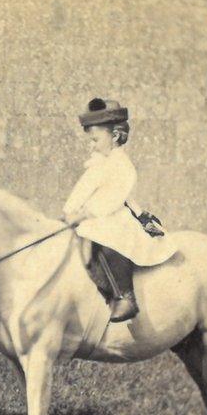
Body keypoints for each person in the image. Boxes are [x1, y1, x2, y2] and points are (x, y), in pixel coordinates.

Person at [63, 98, 176, 322]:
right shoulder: (99, 164)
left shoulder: (122, 165)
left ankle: (124, 296)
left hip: (111, 217)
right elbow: (82, 190)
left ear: (114, 137)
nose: (92, 145)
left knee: (105, 239)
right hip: (94, 217)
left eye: (95, 139)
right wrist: (70, 210)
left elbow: (115, 198)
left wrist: (86, 213)